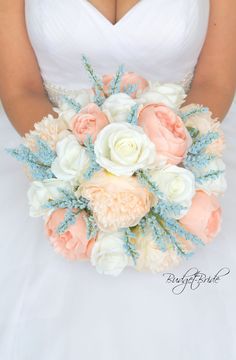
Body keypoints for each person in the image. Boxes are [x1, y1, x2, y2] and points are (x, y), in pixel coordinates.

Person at [0, 1, 235, 359]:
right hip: (51, 152)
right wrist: (80, 169)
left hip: (185, 158)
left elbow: (214, 81)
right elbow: (20, 89)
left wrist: (158, 165)